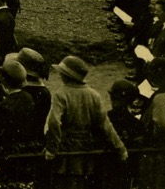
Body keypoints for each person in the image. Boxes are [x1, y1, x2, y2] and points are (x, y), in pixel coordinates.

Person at [45, 55, 126, 189]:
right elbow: (105, 124)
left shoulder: (61, 94)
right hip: (86, 146)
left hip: (67, 147)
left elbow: (54, 122)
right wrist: (120, 148)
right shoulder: (94, 95)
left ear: (66, 75)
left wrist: (52, 149)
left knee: (65, 182)